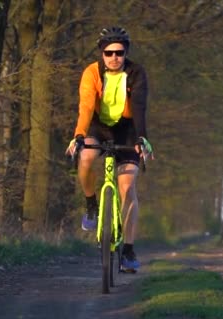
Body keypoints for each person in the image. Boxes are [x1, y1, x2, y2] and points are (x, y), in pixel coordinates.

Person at [66, 26, 153, 272]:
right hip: (98, 125)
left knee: (127, 187)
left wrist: (141, 138)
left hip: (128, 128)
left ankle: (128, 250)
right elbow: (85, 105)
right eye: (108, 53)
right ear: (101, 53)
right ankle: (91, 204)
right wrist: (79, 135)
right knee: (86, 158)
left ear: (126, 53)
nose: (114, 57)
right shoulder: (91, 72)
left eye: (119, 52)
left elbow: (139, 107)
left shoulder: (136, 73)